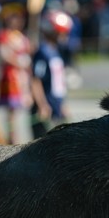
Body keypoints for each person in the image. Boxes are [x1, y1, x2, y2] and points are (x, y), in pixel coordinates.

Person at [30, 9, 72, 139]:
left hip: (56, 103)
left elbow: (58, 80)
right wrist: (42, 105)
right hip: (45, 105)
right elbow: (35, 80)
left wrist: (62, 104)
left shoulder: (56, 50)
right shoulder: (42, 52)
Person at [0, 3, 32, 144]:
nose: (18, 21)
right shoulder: (4, 35)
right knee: (11, 110)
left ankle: (13, 135)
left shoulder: (22, 37)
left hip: (21, 77)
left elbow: (28, 54)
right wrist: (19, 62)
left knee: (18, 111)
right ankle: (11, 136)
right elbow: (4, 55)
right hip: (10, 77)